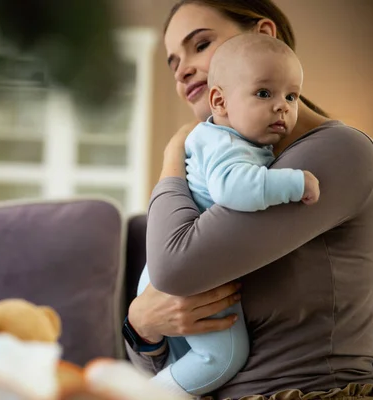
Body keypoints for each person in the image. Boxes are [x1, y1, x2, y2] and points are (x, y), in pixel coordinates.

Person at [121, 1, 373, 399]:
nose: (182, 71)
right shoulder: (227, 167)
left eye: (200, 44)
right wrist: (140, 325)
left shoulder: (339, 153)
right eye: (173, 61)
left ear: (263, 35)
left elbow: (173, 269)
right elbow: (160, 364)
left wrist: (173, 155)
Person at [135, 33, 320, 398]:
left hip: (171, 274)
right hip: (186, 276)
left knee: (188, 362)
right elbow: (234, 189)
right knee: (224, 357)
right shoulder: (225, 142)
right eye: (264, 93)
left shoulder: (227, 139)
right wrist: (297, 183)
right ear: (219, 100)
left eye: (291, 96)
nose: (282, 106)